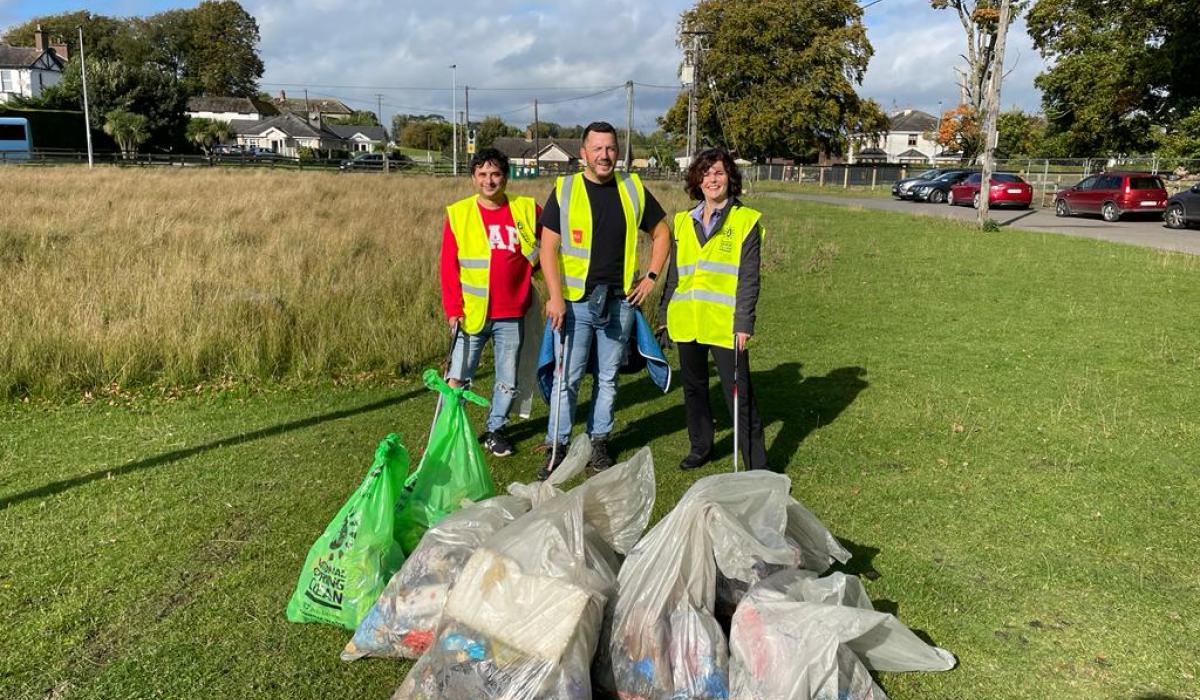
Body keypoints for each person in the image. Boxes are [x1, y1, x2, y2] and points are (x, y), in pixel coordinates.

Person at [538, 121, 671, 476]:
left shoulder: (633, 188)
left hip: (620, 302)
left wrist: (651, 278)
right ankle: (558, 447)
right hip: (575, 303)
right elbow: (547, 247)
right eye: (597, 148)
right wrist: (555, 297)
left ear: (618, 151)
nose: (604, 155)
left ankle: (599, 443)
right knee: (568, 377)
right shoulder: (564, 189)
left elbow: (662, 234)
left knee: (608, 378)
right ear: (583, 153)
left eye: (610, 148)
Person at [657, 148, 769, 471]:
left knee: (739, 395)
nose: (712, 179)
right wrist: (664, 315)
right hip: (688, 320)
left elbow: (749, 279)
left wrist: (744, 322)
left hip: (725, 325)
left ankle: (757, 465)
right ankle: (700, 447)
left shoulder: (745, 221)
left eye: (718, 172)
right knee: (693, 389)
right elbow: (674, 275)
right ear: (697, 180)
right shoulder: (683, 222)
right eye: (705, 174)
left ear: (729, 177)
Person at [440, 147, 541, 457]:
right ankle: (448, 432)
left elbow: (546, 247)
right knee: (459, 375)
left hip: (512, 313)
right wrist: (453, 309)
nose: (489, 180)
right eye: (482, 174)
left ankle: (496, 429)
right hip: (471, 315)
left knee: (507, 377)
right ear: (473, 178)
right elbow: (448, 267)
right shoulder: (459, 214)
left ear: (506, 177)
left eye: (495, 174)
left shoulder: (527, 209)